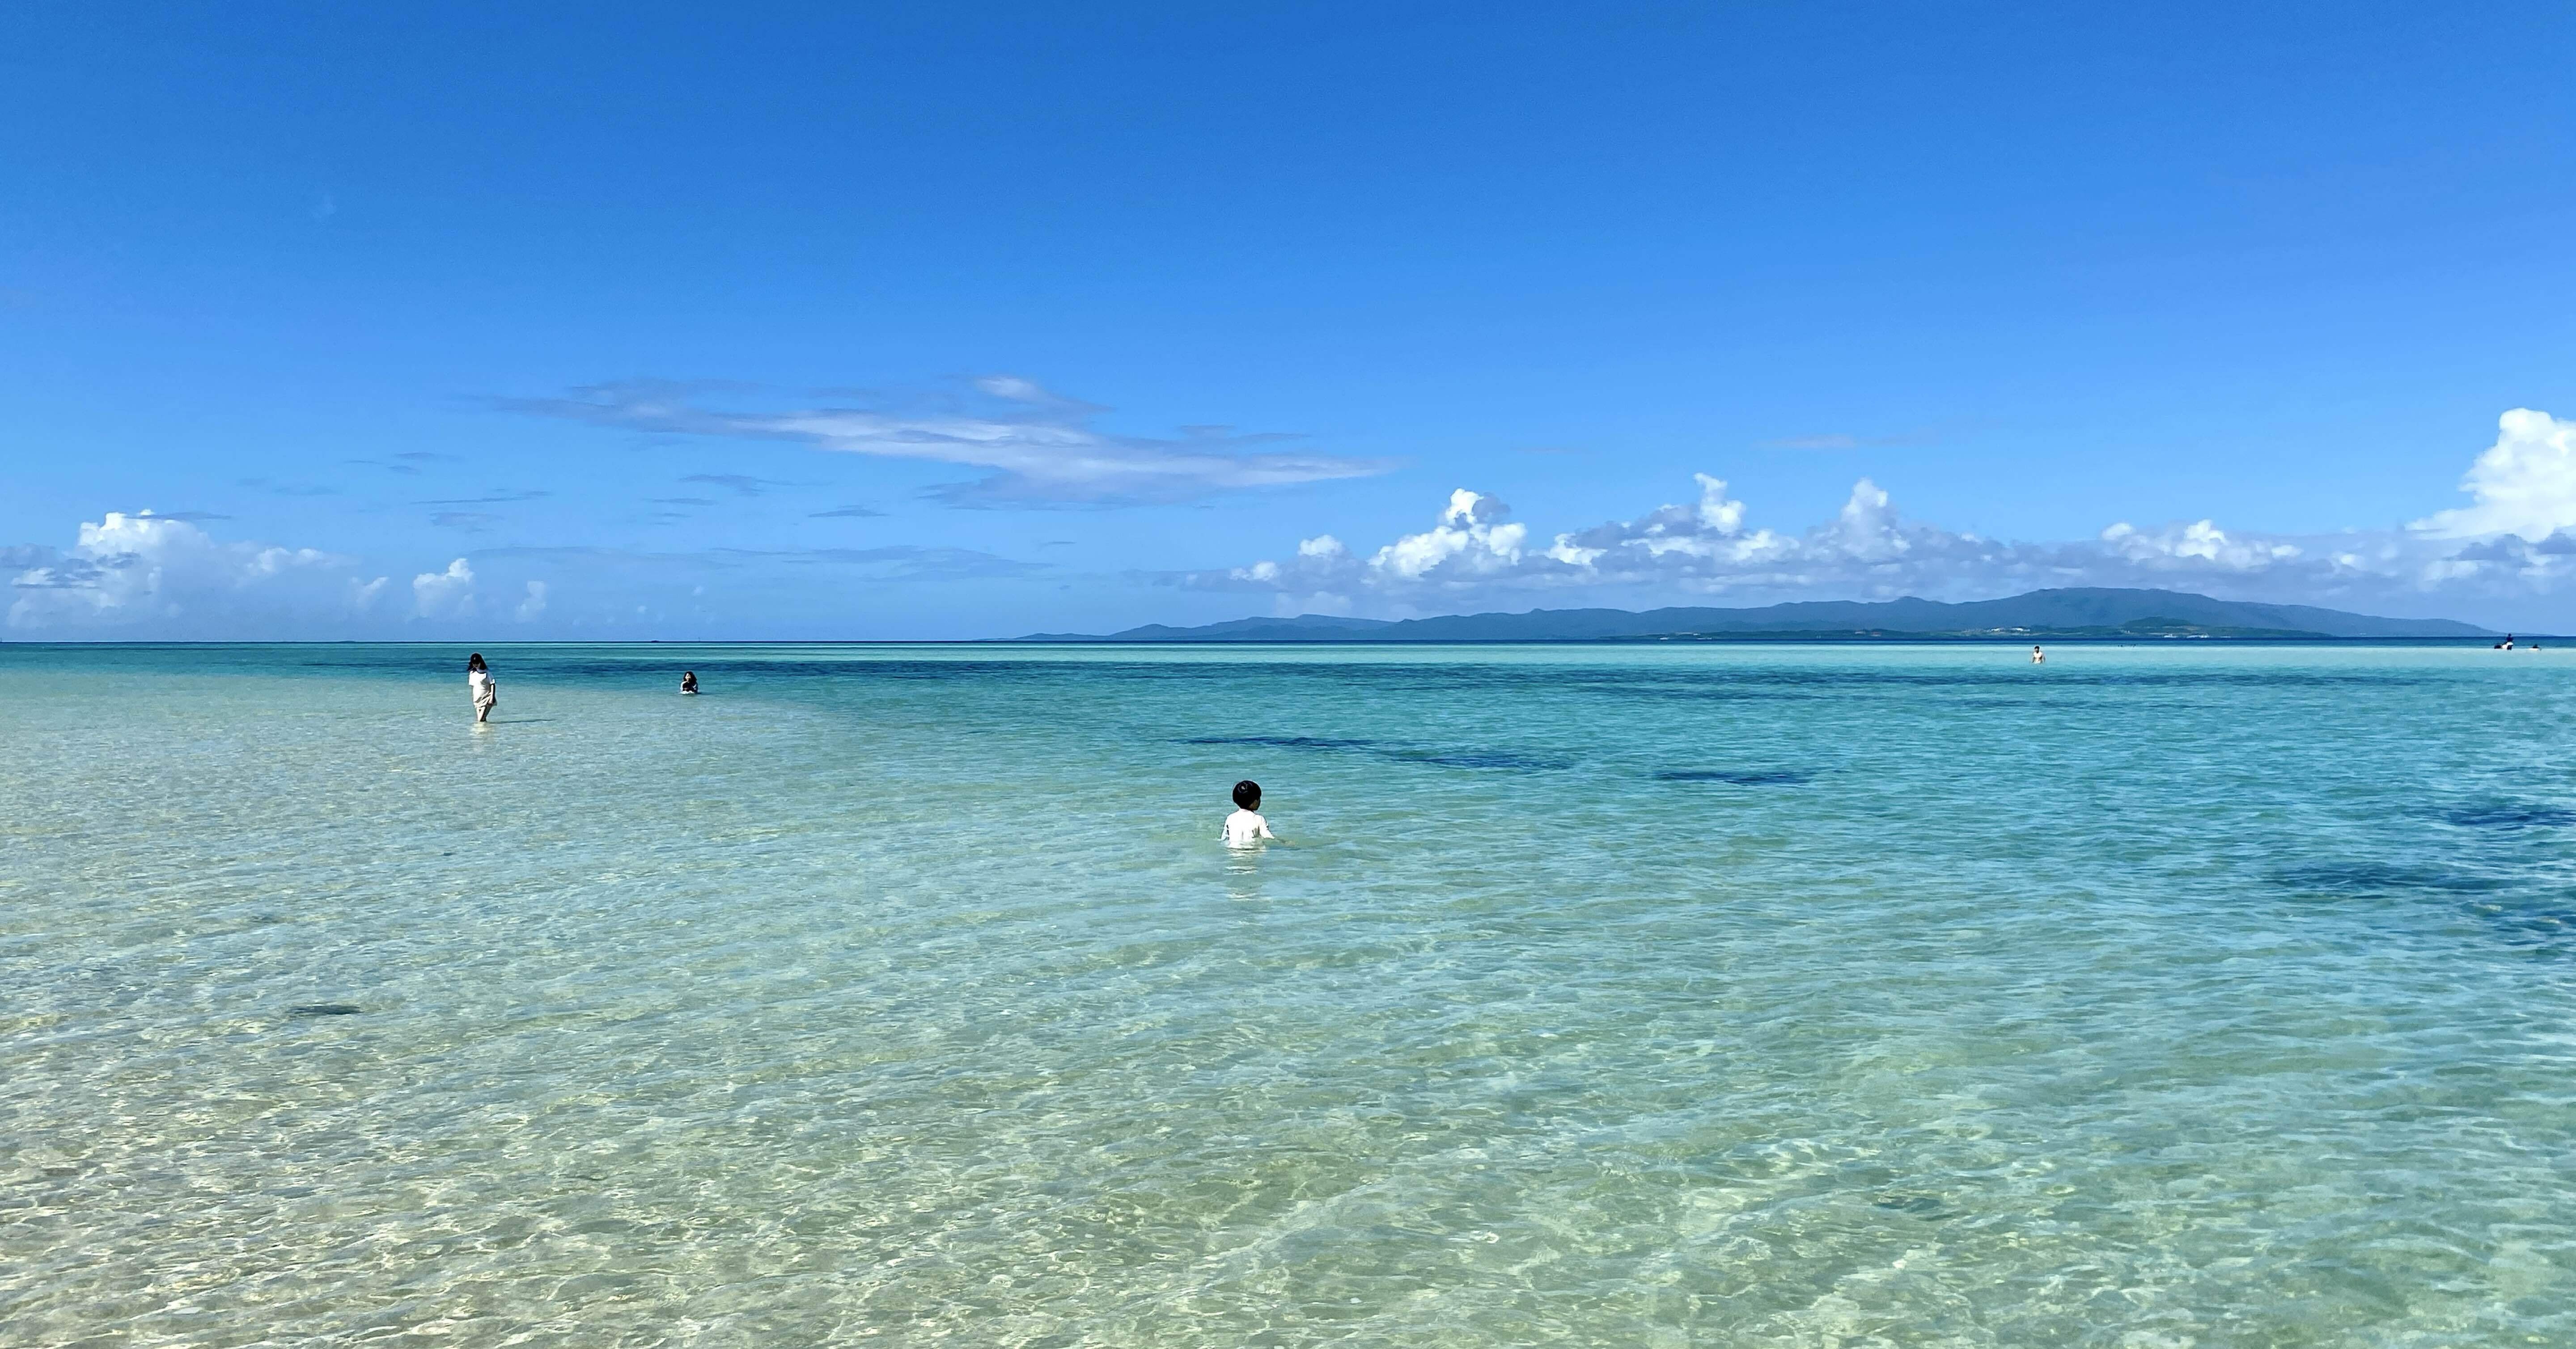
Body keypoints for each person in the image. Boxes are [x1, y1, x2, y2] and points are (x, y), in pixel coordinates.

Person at [1221, 779, 1277, 848]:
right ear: (1255, 801)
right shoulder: (1259, 819)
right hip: (1252, 853)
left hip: (1234, 853)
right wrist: (1285, 843)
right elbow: (1268, 837)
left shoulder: (1230, 818)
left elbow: (1224, 839)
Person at [467, 652, 497, 723]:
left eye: (477, 663)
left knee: (480, 720)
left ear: (481, 662)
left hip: (487, 698)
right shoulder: (472, 673)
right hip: (477, 700)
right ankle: (486, 732)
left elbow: (493, 684)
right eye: (474, 663)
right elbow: (474, 686)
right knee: (482, 721)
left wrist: (492, 697)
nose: (476, 665)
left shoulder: (487, 673)